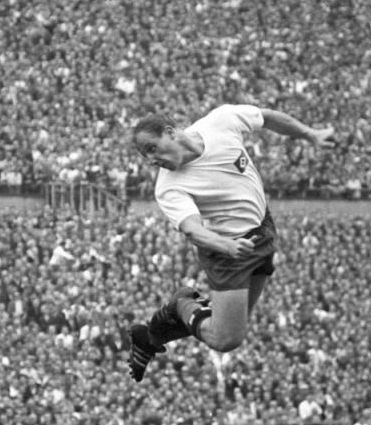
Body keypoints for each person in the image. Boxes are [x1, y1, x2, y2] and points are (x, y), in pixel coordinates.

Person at [127, 104, 334, 381]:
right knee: (226, 339)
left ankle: (150, 338)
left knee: (230, 320)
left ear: (170, 132)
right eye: (146, 155)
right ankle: (180, 303)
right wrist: (226, 246)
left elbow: (268, 117)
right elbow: (192, 230)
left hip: (261, 230)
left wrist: (311, 135)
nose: (151, 160)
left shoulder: (220, 122)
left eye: (152, 148)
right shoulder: (168, 186)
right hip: (227, 250)